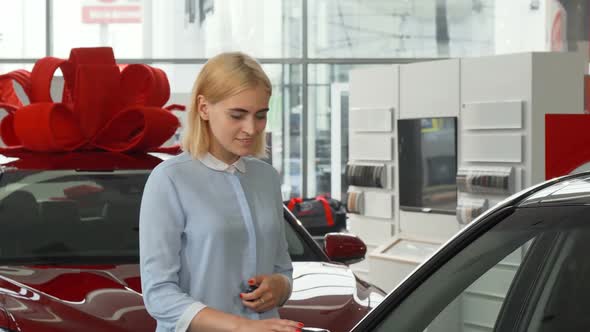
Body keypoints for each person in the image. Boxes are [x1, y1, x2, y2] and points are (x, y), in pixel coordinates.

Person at [139, 52, 303, 332]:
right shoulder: (170, 179)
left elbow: (281, 267)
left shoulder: (266, 178)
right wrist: (242, 327)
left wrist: (280, 286)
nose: (251, 128)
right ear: (203, 107)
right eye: (237, 115)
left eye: (260, 115)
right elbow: (159, 295)